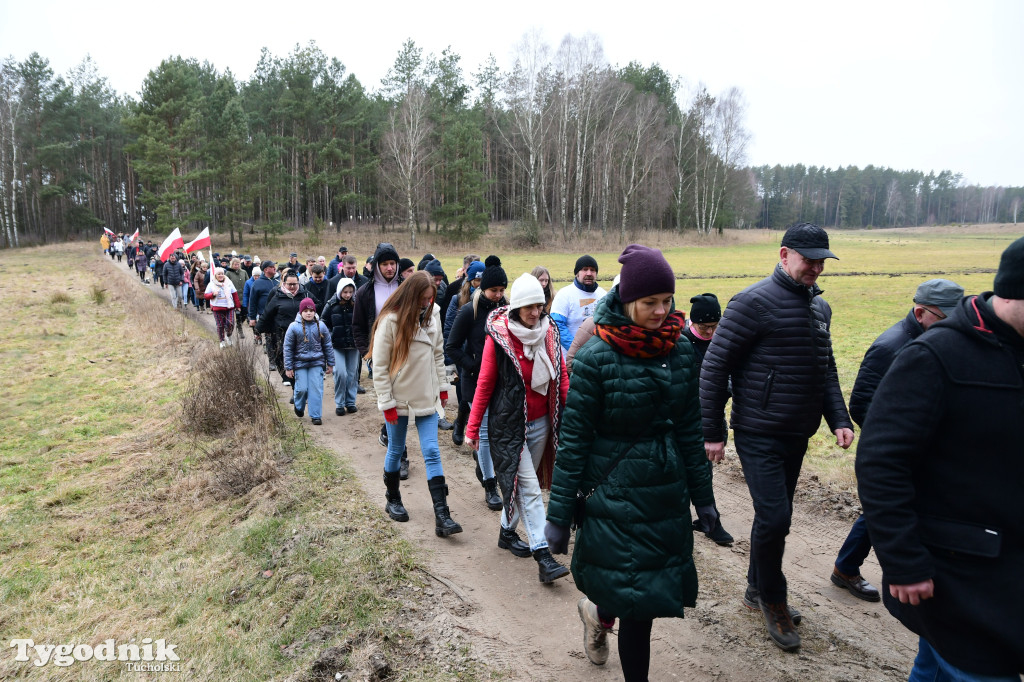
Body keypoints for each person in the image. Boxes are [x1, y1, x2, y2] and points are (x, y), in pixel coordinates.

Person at [544, 245, 717, 680]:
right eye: (649, 303)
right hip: (613, 496)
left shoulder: (679, 351)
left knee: (642, 599)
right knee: (635, 601)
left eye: (667, 301)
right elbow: (574, 443)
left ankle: (596, 613)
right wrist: (559, 516)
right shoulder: (595, 358)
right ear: (626, 301)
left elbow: (689, 430)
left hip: (664, 493)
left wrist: (705, 499)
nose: (661, 312)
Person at [856, 237, 1024, 681]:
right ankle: (842, 567)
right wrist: (904, 560)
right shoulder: (933, 355)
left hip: (1009, 567)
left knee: (934, 664)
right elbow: (880, 459)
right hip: (961, 573)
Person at [700, 222, 854, 652]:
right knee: (776, 517)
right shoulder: (751, 303)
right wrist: (712, 430)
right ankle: (773, 598)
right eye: (809, 259)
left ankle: (755, 586)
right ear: (785, 255)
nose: (817, 268)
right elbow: (714, 368)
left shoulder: (819, 310)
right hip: (757, 430)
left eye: (822, 260)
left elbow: (827, 368)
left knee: (774, 517)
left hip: (796, 432)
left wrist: (838, 418)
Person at [832, 278, 964, 603]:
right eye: (946, 317)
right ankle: (848, 568)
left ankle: (847, 566)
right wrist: (899, 441)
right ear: (920, 312)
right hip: (900, 451)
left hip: (927, 447)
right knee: (888, 508)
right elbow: (861, 403)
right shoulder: (890, 347)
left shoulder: (939, 341)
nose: (955, 324)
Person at [465, 273, 570, 583]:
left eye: (539, 306)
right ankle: (544, 555)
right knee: (529, 488)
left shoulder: (549, 332)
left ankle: (506, 532)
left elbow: (561, 376)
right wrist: (472, 428)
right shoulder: (498, 337)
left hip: (541, 423)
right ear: (516, 308)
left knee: (516, 486)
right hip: (508, 427)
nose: (535, 313)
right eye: (529, 308)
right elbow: (484, 383)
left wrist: (574, 411)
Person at [368, 271, 460, 537]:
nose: (426, 304)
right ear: (411, 296)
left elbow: (439, 352)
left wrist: (442, 388)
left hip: (427, 395)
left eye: (430, 299)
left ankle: (442, 515)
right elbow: (380, 366)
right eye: (422, 299)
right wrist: (386, 401)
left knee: (432, 451)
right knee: (396, 448)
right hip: (398, 397)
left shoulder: (433, 316)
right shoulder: (390, 321)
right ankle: (393, 498)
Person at [445, 265, 508, 510]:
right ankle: (490, 487)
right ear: (482, 288)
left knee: (497, 432)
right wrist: (472, 367)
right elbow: (451, 347)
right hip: (476, 382)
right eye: (494, 290)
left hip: (502, 382)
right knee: (483, 433)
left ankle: (485, 468)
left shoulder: (507, 310)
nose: (498, 294)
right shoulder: (468, 312)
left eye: (502, 290)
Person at [681, 293, 734, 547]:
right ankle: (689, 520)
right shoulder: (681, 342)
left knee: (705, 472)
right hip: (684, 420)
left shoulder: (723, 342)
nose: (711, 331)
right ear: (694, 323)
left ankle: (707, 520)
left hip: (712, 418)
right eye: (705, 327)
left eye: (715, 326)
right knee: (683, 473)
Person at [353, 243, 409, 475]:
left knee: (402, 401)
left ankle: (388, 434)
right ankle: (401, 454)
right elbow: (357, 327)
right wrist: (367, 354)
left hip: (404, 352)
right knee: (390, 399)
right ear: (376, 265)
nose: (389, 268)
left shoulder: (406, 289)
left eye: (392, 263)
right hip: (378, 355)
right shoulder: (364, 293)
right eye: (384, 263)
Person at [284, 298, 334, 425]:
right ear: (301, 312)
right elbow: (288, 348)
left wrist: (330, 363)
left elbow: (327, 345)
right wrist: (288, 367)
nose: (308, 313)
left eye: (311, 310)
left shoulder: (321, 325)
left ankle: (316, 415)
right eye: (305, 311)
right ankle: (299, 405)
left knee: (316, 388)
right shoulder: (293, 327)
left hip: (317, 362)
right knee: (302, 389)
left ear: (314, 312)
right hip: (300, 363)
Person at [257, 271, 305, 386]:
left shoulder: (305, 294)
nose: (292, 287)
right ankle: (291, 382)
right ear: (284, 284)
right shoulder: (277, 295)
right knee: (282, 356)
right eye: (290, 284)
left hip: (301, 333)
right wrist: (258, 330)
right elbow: (267, 313)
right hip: (282, 333)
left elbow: (316, 306)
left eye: (295, 284)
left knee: (299, 359)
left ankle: (297, 387)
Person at [550, 255, 607, 351]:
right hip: (571, 356)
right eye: (585, 269)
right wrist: (577, 349)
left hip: (597, 355)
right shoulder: (564, 295)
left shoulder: (604, 295)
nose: (589, 273)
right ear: (577, 273)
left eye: (592, 270)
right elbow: (557, 324)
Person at [323, 278, 360, 416]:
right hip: (336, 344)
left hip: (353, 344)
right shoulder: (331, 304)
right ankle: (339, 403)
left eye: (350, 292)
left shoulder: (357, 304)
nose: (348, 295)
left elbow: (362, 322)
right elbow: (323, 322)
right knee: (340, 373)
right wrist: (330, 335)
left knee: (352, 374)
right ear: (340, 291)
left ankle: (350, 401)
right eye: (345, 292)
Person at [204, 267, 242, 348]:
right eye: (219, 274)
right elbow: (206, 296)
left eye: (222, 274)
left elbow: (234, 294)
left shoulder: (229, 282)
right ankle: (222, 341)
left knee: (230, 323)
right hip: (217, 307)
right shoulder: (211, 284)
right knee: (220, 325)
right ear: (215, 275)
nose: (221, 275)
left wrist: (238, 305)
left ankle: (228, 335)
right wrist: (213, 294)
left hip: (229, 307)